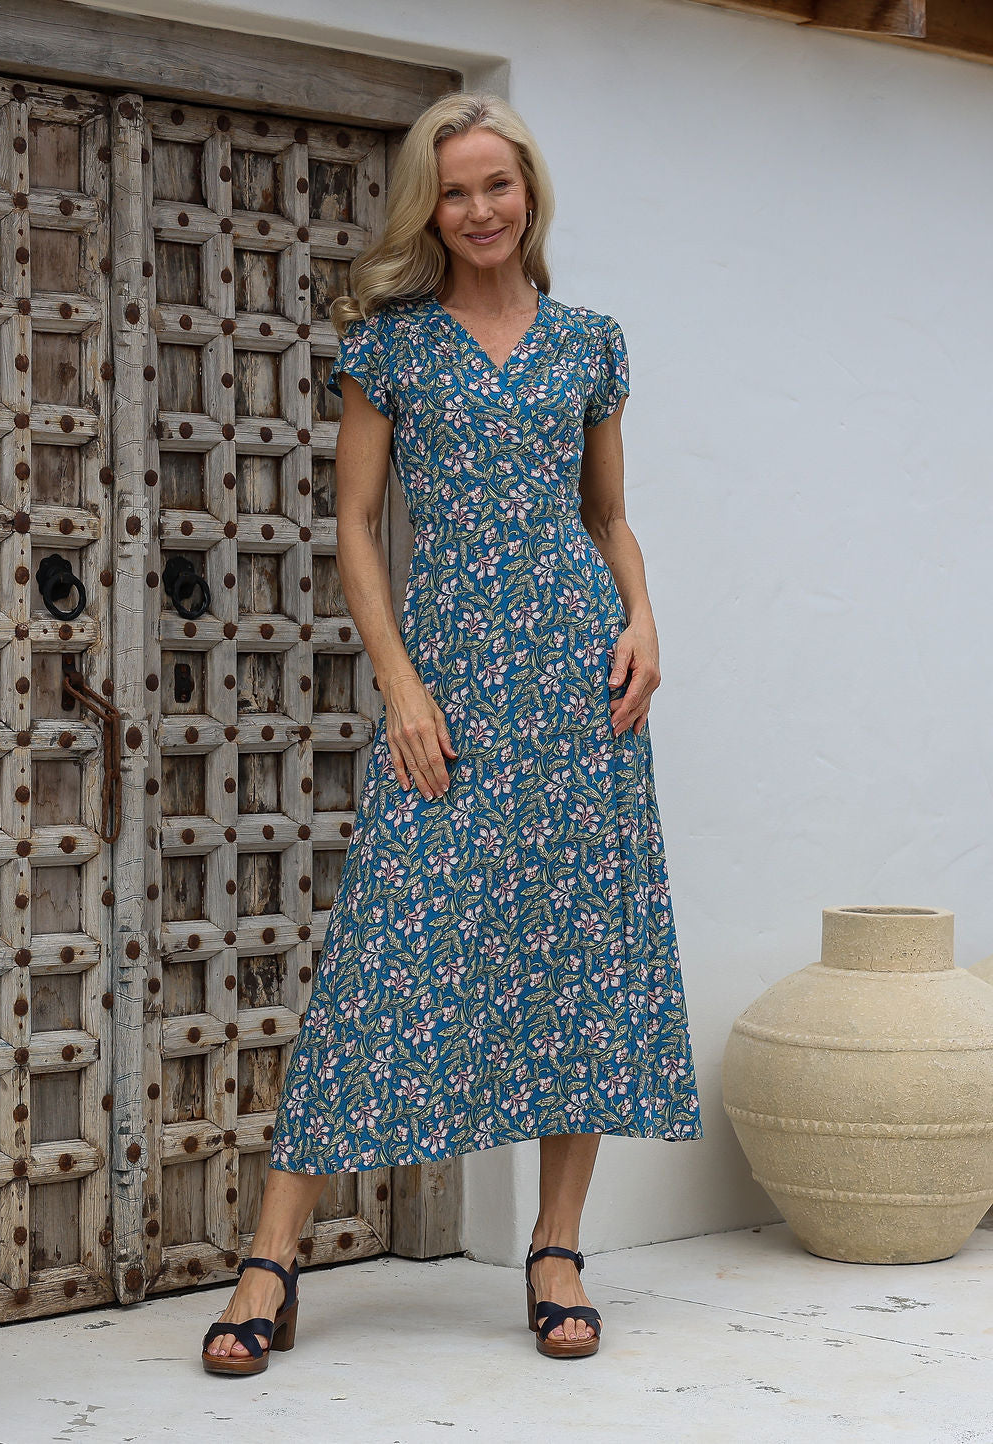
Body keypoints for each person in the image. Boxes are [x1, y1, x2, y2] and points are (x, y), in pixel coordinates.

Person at [201, 90, 703, 1373]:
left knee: (577, 949)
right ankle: (273, 1256)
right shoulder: (391, 344)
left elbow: (606, 515)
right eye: (454, 189)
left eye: (498, 185)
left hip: (581, 681)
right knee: (384, 949)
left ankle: (555, 1247)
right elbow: (356, 526)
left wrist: (643, 615)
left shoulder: (590, 340)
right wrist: (400, 685)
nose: (478, 209)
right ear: (427, 205)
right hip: (452, 691)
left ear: (529, 194)